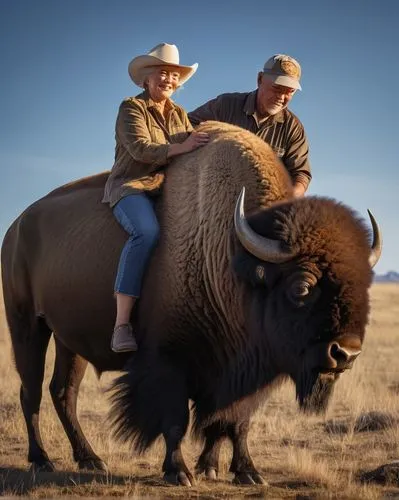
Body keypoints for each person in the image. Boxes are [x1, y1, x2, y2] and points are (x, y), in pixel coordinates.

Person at [102, 43, 209, 353]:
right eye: (162, 73)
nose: (169, 80)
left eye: (174, 75)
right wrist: (184, 147)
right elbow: (140, 149)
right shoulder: (130, 108)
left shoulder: (179, 114)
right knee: (147, 233)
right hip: (132, 186)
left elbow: (195, 146)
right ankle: (121, 324)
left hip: (167, 189)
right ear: (146, 79)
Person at [188, 54, 311, 197]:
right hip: (212, 192)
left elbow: (300, 174)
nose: (282, 97)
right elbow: (187, 124)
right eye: (277, 88)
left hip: (260, 202)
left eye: (290, 92)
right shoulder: (226, 105)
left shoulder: (293, 128)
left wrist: (288, 200)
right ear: (260, 79)